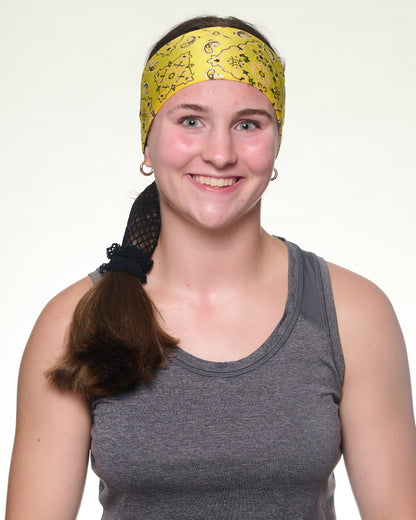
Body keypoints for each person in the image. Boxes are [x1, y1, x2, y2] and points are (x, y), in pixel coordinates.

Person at [5, 15, 416, 520]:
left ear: (276, 142)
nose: (220, 153)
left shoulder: (353, 315)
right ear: (147, 141)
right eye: (190, 120)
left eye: (248, 124)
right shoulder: (71, 324)